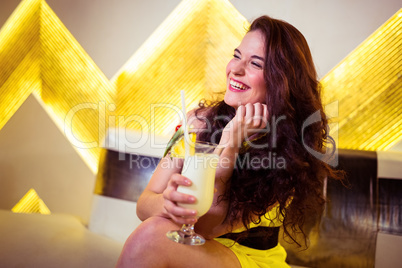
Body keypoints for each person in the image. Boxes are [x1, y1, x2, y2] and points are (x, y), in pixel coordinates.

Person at [115, 15, 342, 268]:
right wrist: (166, 204)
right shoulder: (197, 124)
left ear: (281, 82)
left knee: (151, 238)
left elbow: (206, 228)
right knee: (154, 229)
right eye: (236, 56)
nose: (235, 69)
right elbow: (145, 204)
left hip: (247, 260)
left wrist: (230, 141)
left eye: (255, 64)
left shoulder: (291, 153)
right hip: (187, 248)